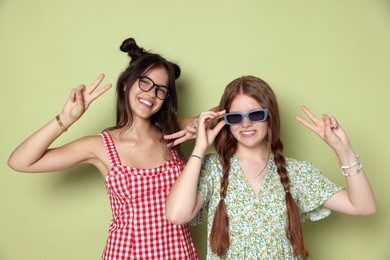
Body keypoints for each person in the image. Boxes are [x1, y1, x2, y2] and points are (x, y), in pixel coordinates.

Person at [8, 38, 198, 260]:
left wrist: (202, 125)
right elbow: (20, 161)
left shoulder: (173, 134)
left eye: (161, 90)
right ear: (127, 83)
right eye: (144, 82)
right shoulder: (99, 146)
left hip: (179, 253)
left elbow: (226, 113)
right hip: (127, 253)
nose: (151, 93)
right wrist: (66, 119)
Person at [165, 75, 376, 259]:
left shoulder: (298, 172)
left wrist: (343, 149)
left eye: (256, 115)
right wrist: (200, 148)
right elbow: (176, 215)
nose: (246, 124)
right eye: (236, 117)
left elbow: (363, 206)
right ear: (226, 122)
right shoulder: (213, 169)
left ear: (270, 117)